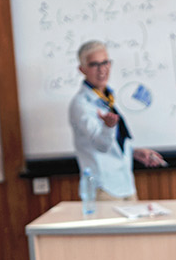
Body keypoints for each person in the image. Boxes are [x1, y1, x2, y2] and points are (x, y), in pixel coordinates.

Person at [69, 40, 166, 200]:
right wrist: (108, 127)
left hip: (125, 185)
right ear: (82, 69)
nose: (102, 70)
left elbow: (115, 142)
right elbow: (101, 144)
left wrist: (133, 152)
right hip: (104, 188)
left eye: (105, 63)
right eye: (94, 65)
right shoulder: (81, 105)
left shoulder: (107, 98)